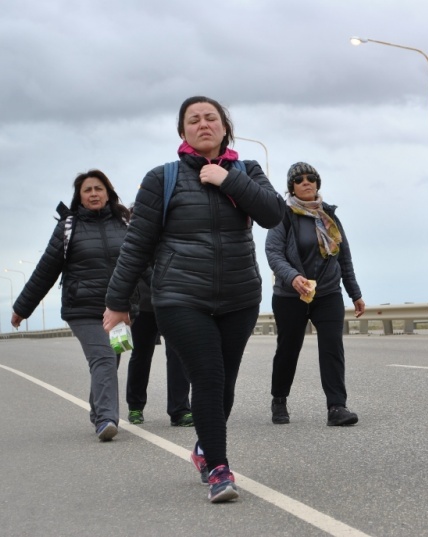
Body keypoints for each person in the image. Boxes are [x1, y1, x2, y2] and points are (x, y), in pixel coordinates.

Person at [103, 96, 285, 503]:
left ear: (224, 127)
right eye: (193, 120)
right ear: (182, 131)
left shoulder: (247, 171)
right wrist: (117, 304)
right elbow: (136, 245)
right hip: (179, 296)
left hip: (239, 296)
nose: (203, 124)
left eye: (211, 118)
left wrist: (227, 179)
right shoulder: (161, 178)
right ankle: (219, 469)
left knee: (226, 384)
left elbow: (275, 214)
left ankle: (205, 448)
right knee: (208, 376)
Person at [12, 170, 133, 442]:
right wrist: (23, 307)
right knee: (102, 357)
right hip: (82, 309)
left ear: (108, 193)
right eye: (87, 190)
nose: (93, 194)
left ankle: (98, 411)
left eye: (98, 188)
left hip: (118, 308)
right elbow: (46, 269)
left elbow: (141, 262)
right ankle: (106, 420)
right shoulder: (69, 227)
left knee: (110, 361)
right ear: (79, 197)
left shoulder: (124, 222)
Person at [265, 162, 365, 427]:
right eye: (299, 180)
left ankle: (337, 407)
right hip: (291, 295)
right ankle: (279, 399)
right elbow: (273, 253)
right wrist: (293, 277)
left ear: (317, 183)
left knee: (332, 346)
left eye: (311, 178)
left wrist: (355, 293)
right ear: (292, 187)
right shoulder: (283, 215)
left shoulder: (328, 216)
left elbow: (344, 257)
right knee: (289, 348)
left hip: (328, 293)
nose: (306, 182)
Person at [126, 274, 193, 427]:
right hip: (144, 303)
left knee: (177, 353)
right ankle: (135, 407)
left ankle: (180, 410)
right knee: (141, 355)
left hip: (173, 300)